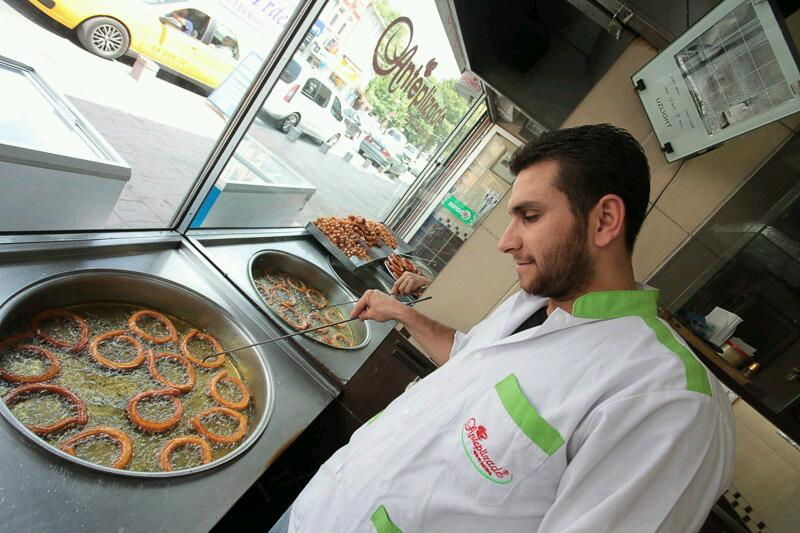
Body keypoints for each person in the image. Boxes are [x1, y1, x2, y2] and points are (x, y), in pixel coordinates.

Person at [270, 124, 735, 532]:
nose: (507, 242)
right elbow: (473, 363)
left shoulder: (668, 398)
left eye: (529, 217)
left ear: (605, 220)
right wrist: (404, 313)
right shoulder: (531, 303)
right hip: (313, 510)